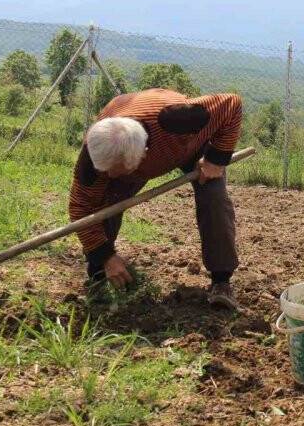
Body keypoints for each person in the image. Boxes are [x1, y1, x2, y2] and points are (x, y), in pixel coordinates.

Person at [68, 88, 242, 310]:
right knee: (106, 200)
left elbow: (232, 104)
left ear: (141, 156)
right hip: (134, 150)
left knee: (214, 200)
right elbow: (80, 209)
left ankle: (221, 281)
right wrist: (105, 256)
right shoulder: (95, 156)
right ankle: (99, 277)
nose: (109, 175)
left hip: (187, 146)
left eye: (115, 170)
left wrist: (216, 159)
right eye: (105, 170)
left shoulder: (177, 119)